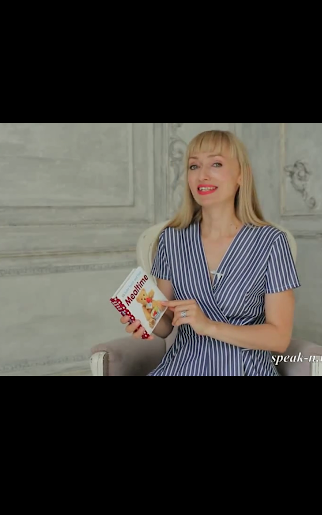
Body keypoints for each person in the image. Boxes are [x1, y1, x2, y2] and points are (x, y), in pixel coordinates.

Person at [120, 130, 301, 376]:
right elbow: (166, 324)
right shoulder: (171, 239)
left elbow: (279, 338)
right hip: (182, 369)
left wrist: (209, 326)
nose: (202, 175)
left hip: (246, 370)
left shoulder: (271, 242)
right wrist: (144, 318)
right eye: (194, 166)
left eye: (216, 164)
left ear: (241, 175)